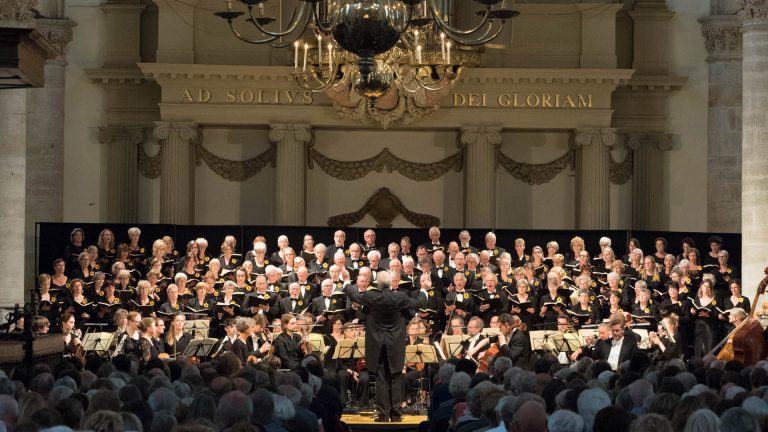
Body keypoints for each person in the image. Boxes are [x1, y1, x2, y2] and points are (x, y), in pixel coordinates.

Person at [343, 271, 428, 422]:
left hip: (377, 345)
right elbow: (419, 303)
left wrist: (347, 281)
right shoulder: (399, 297)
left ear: (377, 284)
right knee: (396, 376)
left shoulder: (371, 296)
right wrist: (423, 288)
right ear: (390, 284)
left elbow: (354, 296)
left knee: (381, 378)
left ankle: (383, 414)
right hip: (395, 344)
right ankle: (395, 414)